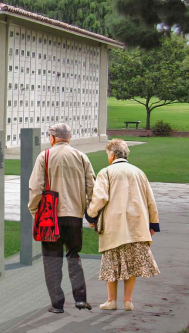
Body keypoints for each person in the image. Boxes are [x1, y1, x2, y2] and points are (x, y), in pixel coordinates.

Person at [28, 122, 96, 313]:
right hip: (74, 214)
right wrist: (90, 213)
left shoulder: (45, 156)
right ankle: (80, 299)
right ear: (70, 137)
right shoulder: (81, 157)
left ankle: (57, 304)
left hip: (51, 217)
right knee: (74, 255)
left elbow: (36, 188)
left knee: (52, 259)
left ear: (51, 137)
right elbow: (92, 187)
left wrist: (35, 212)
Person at [85, 139, 160, 311]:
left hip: (114, 226)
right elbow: (150, 200)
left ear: (112, 155)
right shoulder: (138, 172)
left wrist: (91, 216)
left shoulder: (107, 172)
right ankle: (128, 301)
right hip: (137, 225)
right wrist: (153, 223)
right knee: (132, 263)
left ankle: (111, 301)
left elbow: (99, 198)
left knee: (111, 262)